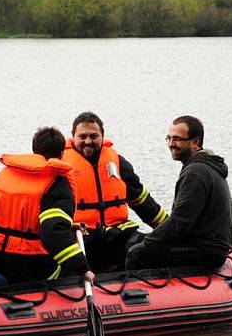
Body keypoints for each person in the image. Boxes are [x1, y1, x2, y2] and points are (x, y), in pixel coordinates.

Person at [0, 127, 94, 285]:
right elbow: (53, 232)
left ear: (35, 150)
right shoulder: (56, 182)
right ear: (61, 153)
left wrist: (67, 225)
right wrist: (82, 268)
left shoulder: (7, 173)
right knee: (68, 272)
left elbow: (20, 217)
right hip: (30, 261)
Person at [63, 111, 168, 271]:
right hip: (82, 236)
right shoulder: (61, 166)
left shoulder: (118, 162)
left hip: (117, 234)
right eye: (82, 137)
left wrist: (168, 228)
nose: (88, 141)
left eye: (94, 136)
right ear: (73, 137)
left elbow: (142, 202)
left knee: (149, 248)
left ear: (102, 136)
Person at [126, 116, 232, 270]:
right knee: (135, 241)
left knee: (137, 253)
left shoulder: (196, 173)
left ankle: (137, 292)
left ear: (195, 142)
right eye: (168, 138)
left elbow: (180, 222)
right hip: (205, 244)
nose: (171, 144)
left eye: (177, 139)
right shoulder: (203, 166)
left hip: (207, 251)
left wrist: (148, 242)